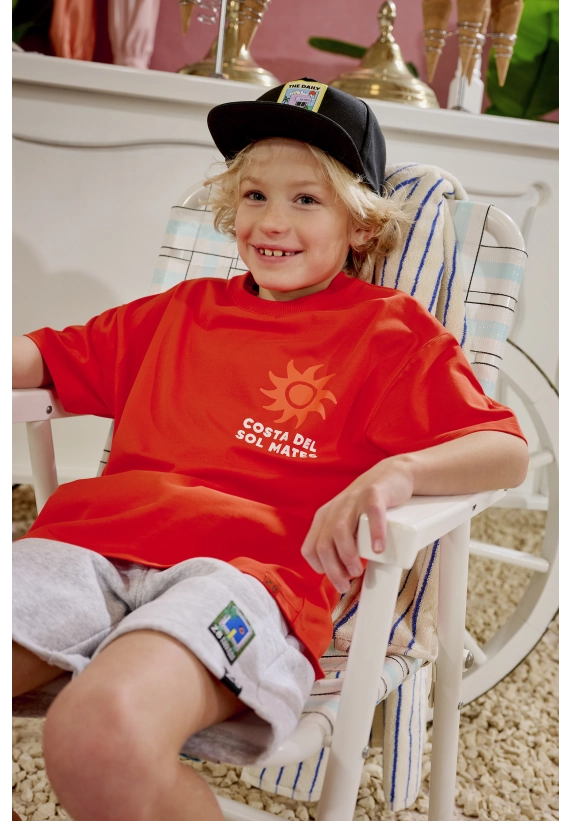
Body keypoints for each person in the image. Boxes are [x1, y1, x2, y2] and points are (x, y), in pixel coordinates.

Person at [11, 79, 528, 821]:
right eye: (254, 195)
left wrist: (399, 470)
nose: (272, 221)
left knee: (100, 734)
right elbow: (42, 357)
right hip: (83, 548)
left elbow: (503, 450)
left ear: (360, 226)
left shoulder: (388, 332)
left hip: (247, 577)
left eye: (306, 199)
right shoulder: (182, 312)